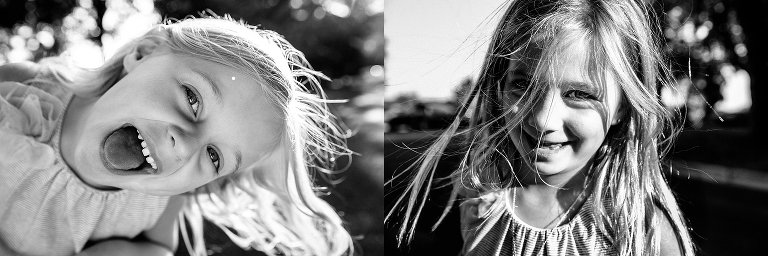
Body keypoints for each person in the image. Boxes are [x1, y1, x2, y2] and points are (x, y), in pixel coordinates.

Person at [0, 16, 352, 256]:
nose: (185, 144)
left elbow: (158, 248)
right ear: (144, 53)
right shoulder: (20, 92)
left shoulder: (160, 202)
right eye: (192, 99)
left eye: (214, 157)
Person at [388, 0, 695, 255]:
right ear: (499, 86)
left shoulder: (642, 230)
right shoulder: (478, 201)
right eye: (522, 85)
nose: (541, 119)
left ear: (623, 106)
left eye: (579, 94)